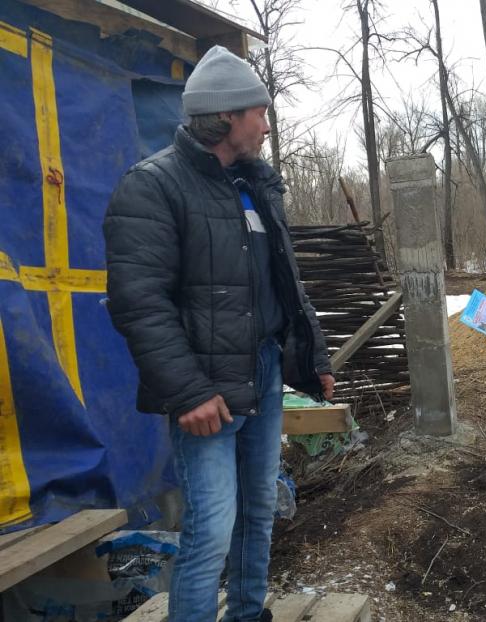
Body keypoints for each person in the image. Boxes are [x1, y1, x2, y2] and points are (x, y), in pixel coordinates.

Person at [104, 45, 334, 622]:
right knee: (211, 524)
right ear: (228, 115)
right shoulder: (154, 185)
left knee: (258, 508)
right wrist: (187, 391)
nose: (266, 123)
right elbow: (139, 303)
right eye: (260, 111)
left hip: (262, 369)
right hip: (204, 385)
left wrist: (314, 356)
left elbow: (287, 284)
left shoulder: (256, 186)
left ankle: (250, 613)